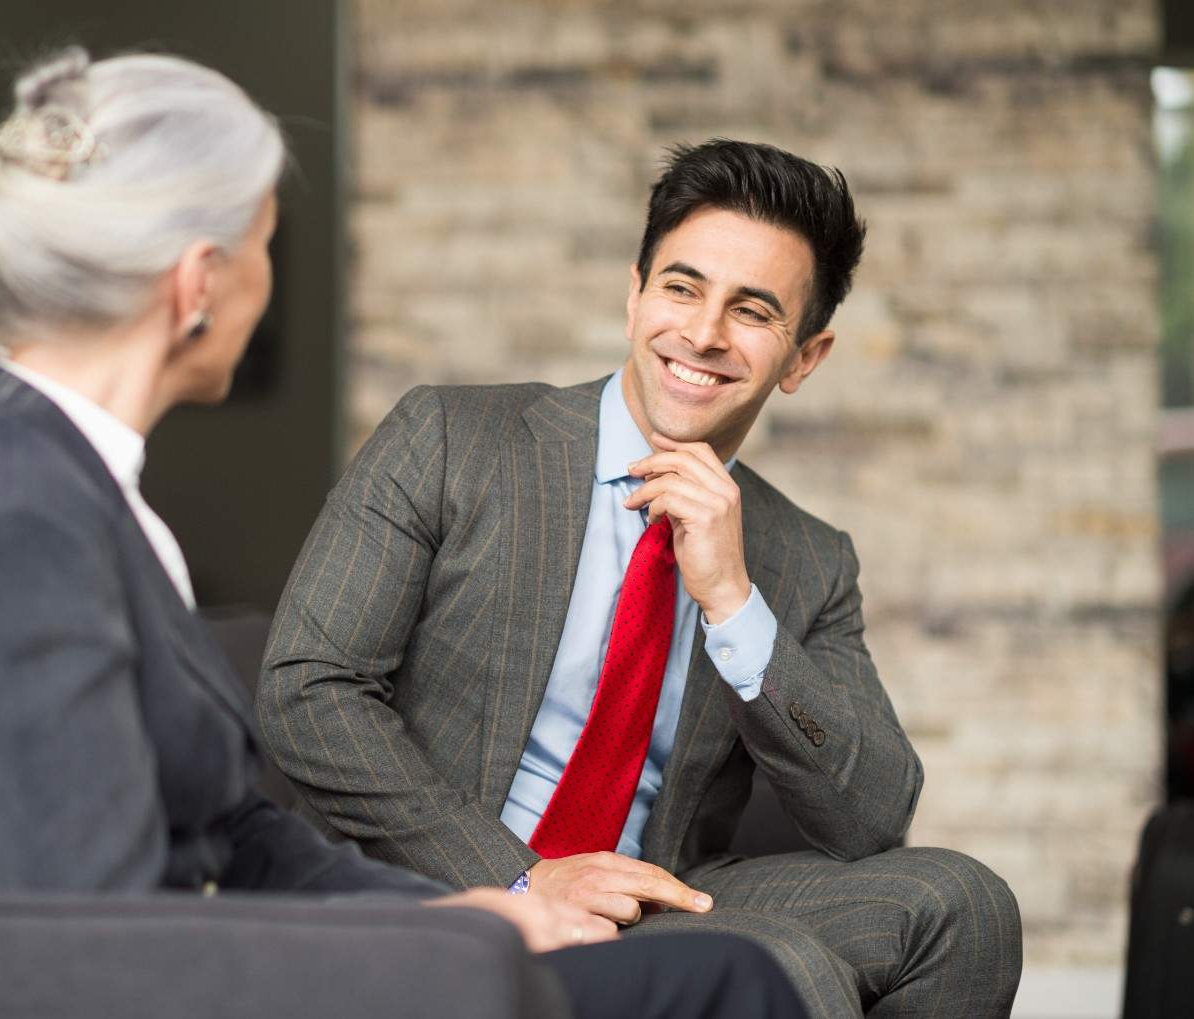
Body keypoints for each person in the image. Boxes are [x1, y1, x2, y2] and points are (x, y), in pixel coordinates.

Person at [0, 48, 807, 1019]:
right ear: (199, 282)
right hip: (158, 984)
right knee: (727, 983)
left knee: (725, 971)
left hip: (223, 955)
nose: (270, 280)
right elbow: (101, 934)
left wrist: (467, 914)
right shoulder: (7, 515)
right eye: (266, 246)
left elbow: (237, 833)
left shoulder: (68, 484)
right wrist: (408, 947)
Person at [258, 139, 1024, 1017]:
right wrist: (520, 878)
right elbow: (306, 689)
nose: (702, 333)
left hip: (655, 896)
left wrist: (734, 601)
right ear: (634, 294)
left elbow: (874, 814)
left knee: (967, 906)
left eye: (753, 311)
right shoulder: (451, 440)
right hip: (441, 879)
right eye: (682, 287)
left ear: (804, 358)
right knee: (782, 966)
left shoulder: (806, 556)